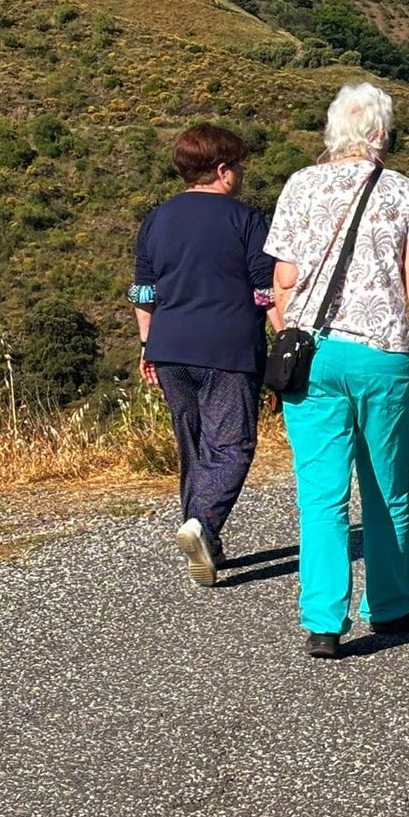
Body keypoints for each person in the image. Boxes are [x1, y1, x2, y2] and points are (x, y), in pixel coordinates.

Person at [266, 82, 409, 660]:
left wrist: (286, 340)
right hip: (383, 355)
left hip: (313, 355)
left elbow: (284, 284)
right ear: (381, 133)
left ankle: (323, 620)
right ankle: (391, 608)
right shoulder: (401, 191)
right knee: (386, 491)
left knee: (321, 496)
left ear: (333, 131)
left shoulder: (298, 185)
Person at [130, 124, 280, 588]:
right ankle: (203, 525)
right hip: (230, 348)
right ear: (221, 170)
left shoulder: (156, 218)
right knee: (233, 444)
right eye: (237, 165)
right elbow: (265, 293)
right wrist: (290, 343)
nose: (240, 172)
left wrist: (146, 345)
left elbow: (143, 291)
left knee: (193, 444)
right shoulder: (246, 219)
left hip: (170, 347)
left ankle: (204, 539)